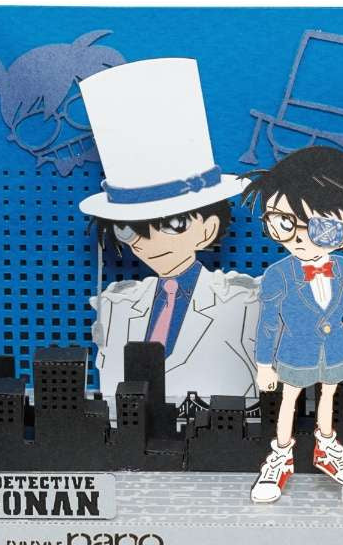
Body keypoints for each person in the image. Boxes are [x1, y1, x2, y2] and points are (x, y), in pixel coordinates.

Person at [78, 58, 259, 399]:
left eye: (174, 225)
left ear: (208, 229)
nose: (147, 244)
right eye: (129, 230)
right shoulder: (116, 305)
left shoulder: (243, 300)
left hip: (224, 429)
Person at [242, 145, 343, 503]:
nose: (301, 239)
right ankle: (280, 456)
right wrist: (263, 365)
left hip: (334, 351)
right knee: (289, 399)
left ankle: (326, 448)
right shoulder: (279, 274)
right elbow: (268, 323)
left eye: (321, 228)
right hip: (294, 353)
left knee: (328, 396)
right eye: (284, 223)